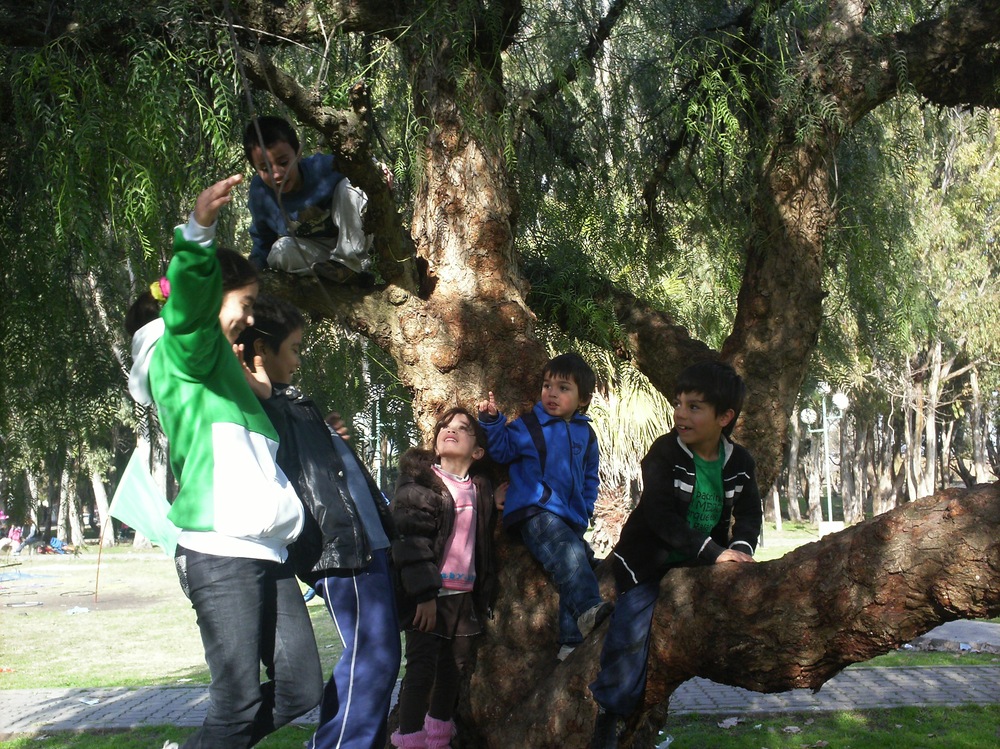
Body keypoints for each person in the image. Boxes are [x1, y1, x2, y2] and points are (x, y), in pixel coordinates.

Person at [125, 175, 322, 748]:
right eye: (245, 304)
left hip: (267, 550)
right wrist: (199, 232)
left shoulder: (224, 375)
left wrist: (258, 385)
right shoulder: (182, 356)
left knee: (300, 689)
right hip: (220, 553)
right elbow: (187, 315)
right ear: (211, 297)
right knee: (235, 707)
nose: (250, 318)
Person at [237, 294, 401, 749]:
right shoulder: (263, 402)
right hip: (340, 546)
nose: (299, 358)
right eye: (292, 347)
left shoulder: (291, 403)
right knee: (375, 656)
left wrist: (331, 439)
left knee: (375, 656)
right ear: (259, 352)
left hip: (366, 541)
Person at [587, 361, 763, 749]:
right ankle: (610, 713)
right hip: (647, 560)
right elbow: (659, 516)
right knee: (631, 631)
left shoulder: (740, 463)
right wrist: (713, 552)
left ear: (725, 417)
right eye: (679, 403)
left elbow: (749, 514)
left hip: (700, 560)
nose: (680, 413)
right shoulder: (665, 452)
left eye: (694, 406)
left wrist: (739, 549)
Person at [477, 353, 611, 660]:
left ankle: (571, 642)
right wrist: (493, 421)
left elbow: (591, 476)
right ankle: (589, 609)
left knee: (575, 566)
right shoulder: (528, 424)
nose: (552, 393)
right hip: (534, 511)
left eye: (563, 388)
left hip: (571, 517)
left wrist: (586, 508)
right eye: (547, 385)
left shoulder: (586, 435)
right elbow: (501, 450)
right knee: (572, 558)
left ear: (582, 399)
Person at [390, 407, 499, 748]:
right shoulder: (420, 486)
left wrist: (497, 500)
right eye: (445, 426)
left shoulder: (477, 488)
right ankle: (409, 739)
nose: (450, 430)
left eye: (462, 428)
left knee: (453, 669)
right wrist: (424, 596)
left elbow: (477, 528)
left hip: (463, 596)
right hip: (431, 597)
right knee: (422, 670)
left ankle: (438, 738)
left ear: (477, 451)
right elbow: (411, 544)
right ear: (436, 443)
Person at [244, 116, 372, 283]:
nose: (277, 174)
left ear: (298, 154)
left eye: (283, 162)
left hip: (348, 245)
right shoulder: (260, 192)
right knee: (279, 251)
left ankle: (350, 266)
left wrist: (379, 170)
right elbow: (262, 242)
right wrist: (248, 276)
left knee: (352, 186)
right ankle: (334, 281)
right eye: (265, 169)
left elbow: (363, 166)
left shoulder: (323, 167)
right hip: (316, 255)